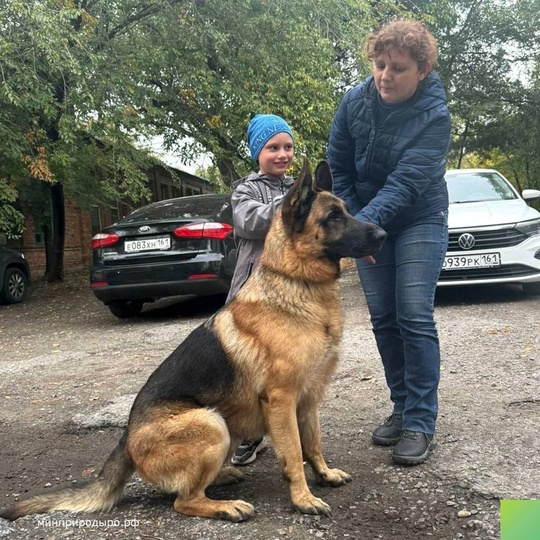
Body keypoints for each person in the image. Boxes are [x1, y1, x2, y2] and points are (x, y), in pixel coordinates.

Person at [327, 19, 451, 466]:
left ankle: (421, 420)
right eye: (379, 65)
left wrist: (362, 229)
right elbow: (339, 166)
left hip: (419, 216)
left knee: (413, 312)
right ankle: (401, 407)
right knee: (383, 317)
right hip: (366, 218)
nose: (385, 75)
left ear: (421, 70)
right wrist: (359, 226)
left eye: (397, 67)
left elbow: (405, 185)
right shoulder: (354, 102)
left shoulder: (435, 116)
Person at [227, 113, 295, 465]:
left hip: (289, 290)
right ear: (257, 153)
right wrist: (291, 204)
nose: (282, 154)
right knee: (252, 366)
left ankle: (286, 423)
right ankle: (249, 434)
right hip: (253, 292)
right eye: (272, 148)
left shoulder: (297, 184)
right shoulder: (246, 189)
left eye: (287, 147)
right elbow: (249, 222)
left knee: (284, 362)